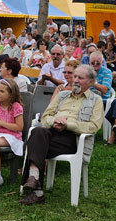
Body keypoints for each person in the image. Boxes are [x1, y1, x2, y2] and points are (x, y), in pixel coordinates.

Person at [19, 64, 103, 204]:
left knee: (36, 144)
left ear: (90, 82)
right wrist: (55, 121)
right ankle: (34, 178)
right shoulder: (62, 95)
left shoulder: (96, 100)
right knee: (38, 131)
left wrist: (68, 124)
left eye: (80, 78)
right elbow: (45, 117)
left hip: (73, 139)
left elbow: (94, 126)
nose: (75, 80)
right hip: (52, 133)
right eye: (74, 76)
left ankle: (36, 188)